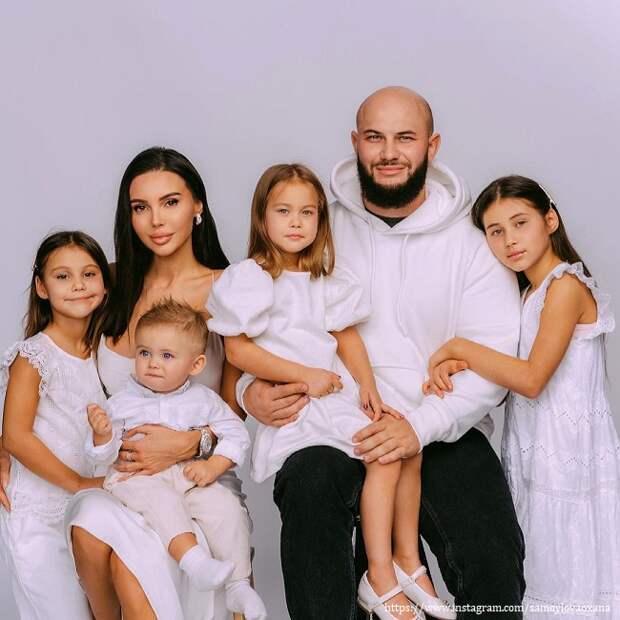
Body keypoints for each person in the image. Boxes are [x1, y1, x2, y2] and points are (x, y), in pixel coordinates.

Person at [236, 87, 526, 619]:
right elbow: (268, 318)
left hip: (439, 424)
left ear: (431, 147)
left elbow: (495, 356)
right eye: (375, 137)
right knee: (310, 487)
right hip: (336, 419)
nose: (389, 153)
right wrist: (248, 391)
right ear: (355, 143)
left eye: (405, 138)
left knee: (491, 554)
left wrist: (420, 425)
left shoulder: (470, 241)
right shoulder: (313, 226)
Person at [0, 147, 252, 620]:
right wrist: (6, 445)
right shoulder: (111, 283)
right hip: (121, 480)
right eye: (140, 207)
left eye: (171, 202)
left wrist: (189, 444)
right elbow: (53, 358)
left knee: (169, 559)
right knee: (106, 537)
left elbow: (234, 407)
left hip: (198, 478)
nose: (156, 220)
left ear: (198, 206)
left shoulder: (230, 288)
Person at [207, 163, 455, 620]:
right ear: (262, 217)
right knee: (383, 455)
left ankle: (405, 561)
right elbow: (238, 351)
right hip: (301, 410)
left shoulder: (324, 280)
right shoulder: (249, 278)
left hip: (334, 398)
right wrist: (304, 375)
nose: (296, 222)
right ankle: (380, 574)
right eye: (284, 211)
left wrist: (369, 388)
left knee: (405, 445)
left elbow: (347, 337)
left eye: (308, 212)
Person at [426, 176, 620, 619]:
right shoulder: (528, 293)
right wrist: (459, 366)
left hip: (568, 455)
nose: (509, 240)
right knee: (535, 564)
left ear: (549, 220)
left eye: (520, 223)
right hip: (534, 449)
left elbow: (532, 379)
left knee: (568, 568)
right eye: (496, 231)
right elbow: (508, 376)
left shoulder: (565, 286)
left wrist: (459, 347)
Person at [86, 299, 266, 619]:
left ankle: (238, 585)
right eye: (144, 353)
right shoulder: (123, 402)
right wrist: (102, 435)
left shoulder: (204, 400)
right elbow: (105, 453)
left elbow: (236, 433)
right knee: (160, 500)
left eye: (167, 356)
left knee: (225, 507)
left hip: (188, 478)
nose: (153, 363)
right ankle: (193, 561)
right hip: (138, 480)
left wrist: (214, 465)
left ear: (195, 365)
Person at [0, 231, 111, 619]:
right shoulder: (34, 355)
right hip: (40, 513)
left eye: (89, 274)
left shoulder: (104, 352)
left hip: (87, 513)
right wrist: (79, 483)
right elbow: (16, 436)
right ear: (41, 288)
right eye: (62, 276)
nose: (78, 285)